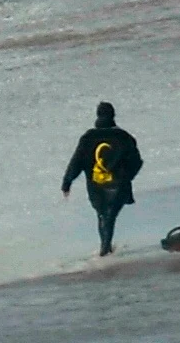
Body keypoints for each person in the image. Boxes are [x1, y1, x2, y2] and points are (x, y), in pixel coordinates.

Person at [61, 101, 144, 256]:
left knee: (102, 214)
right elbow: (137, 162)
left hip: (95, 185)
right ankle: (106, 248)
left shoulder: (87, 138)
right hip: (118, 184)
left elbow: (76, 161)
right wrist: (127, 177)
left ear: (98, 115)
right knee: (110, 214)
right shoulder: (123, 137)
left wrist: (67, 183)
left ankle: (105, 248)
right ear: (113, 115)